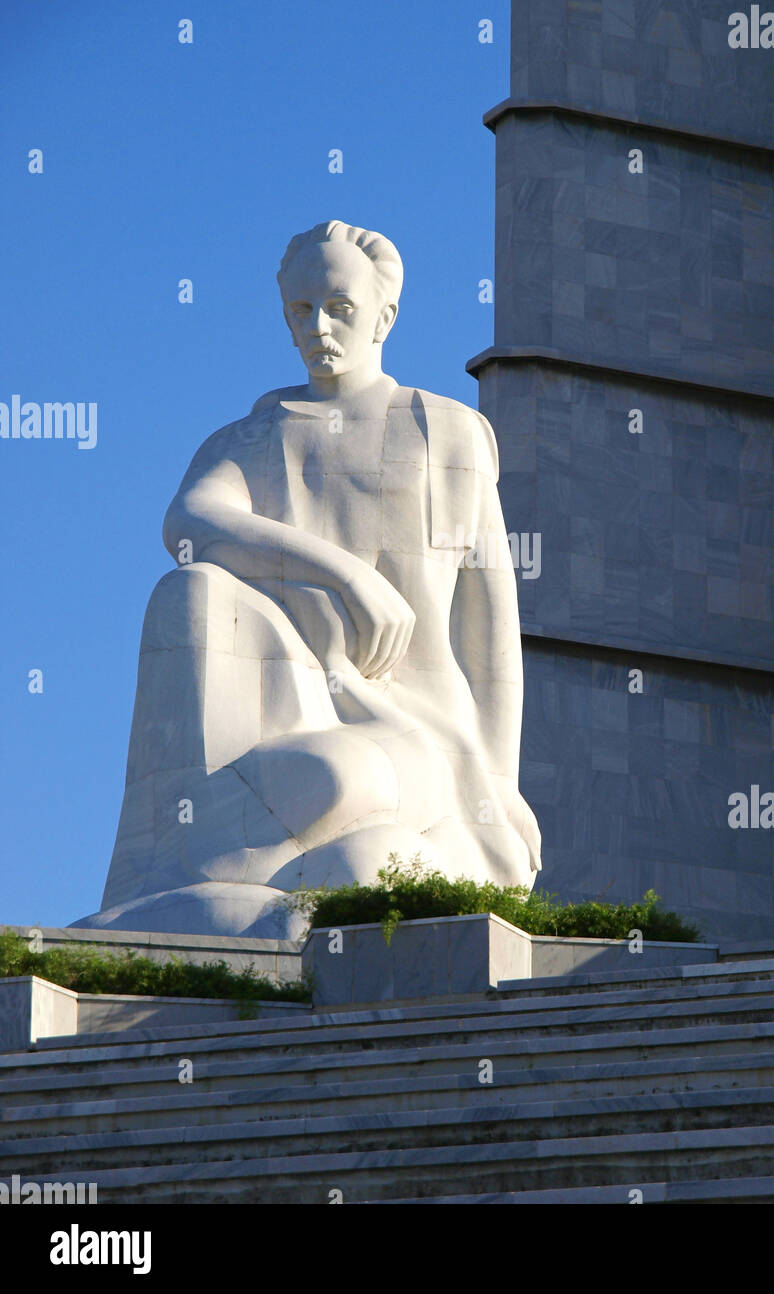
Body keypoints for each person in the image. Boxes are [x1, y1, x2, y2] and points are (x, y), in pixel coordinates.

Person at [75, 220, 540, 938]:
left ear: (384, 314)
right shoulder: (250, 439)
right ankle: (173, 884)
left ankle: (223, 894)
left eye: (339, 307)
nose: (318, 327)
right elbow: (190, 522)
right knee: (190, 591)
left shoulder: (444, 430)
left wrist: (495, 794)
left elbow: (490, 638)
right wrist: (344, 574)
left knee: (344, 787)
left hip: (417, 733)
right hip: (291, 711)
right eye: (300, 311)